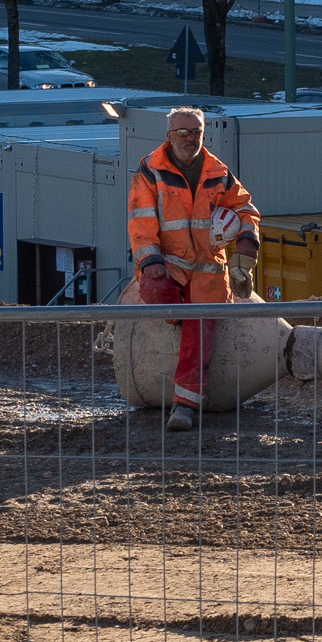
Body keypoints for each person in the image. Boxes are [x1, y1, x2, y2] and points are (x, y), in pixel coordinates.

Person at [125, 105, 259, 430]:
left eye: (196, 132)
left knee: (198, 328)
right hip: (166, 268)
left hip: (208, 274)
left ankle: (183, 407)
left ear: (203, 133)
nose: (189, 138)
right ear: (169, 136)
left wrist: (244, 254)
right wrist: (151, 260)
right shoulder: (150, 172)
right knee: (166, 301)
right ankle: (178, 314)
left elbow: (245, 208)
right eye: (182, 132)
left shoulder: (219, 172)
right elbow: (140, 221)